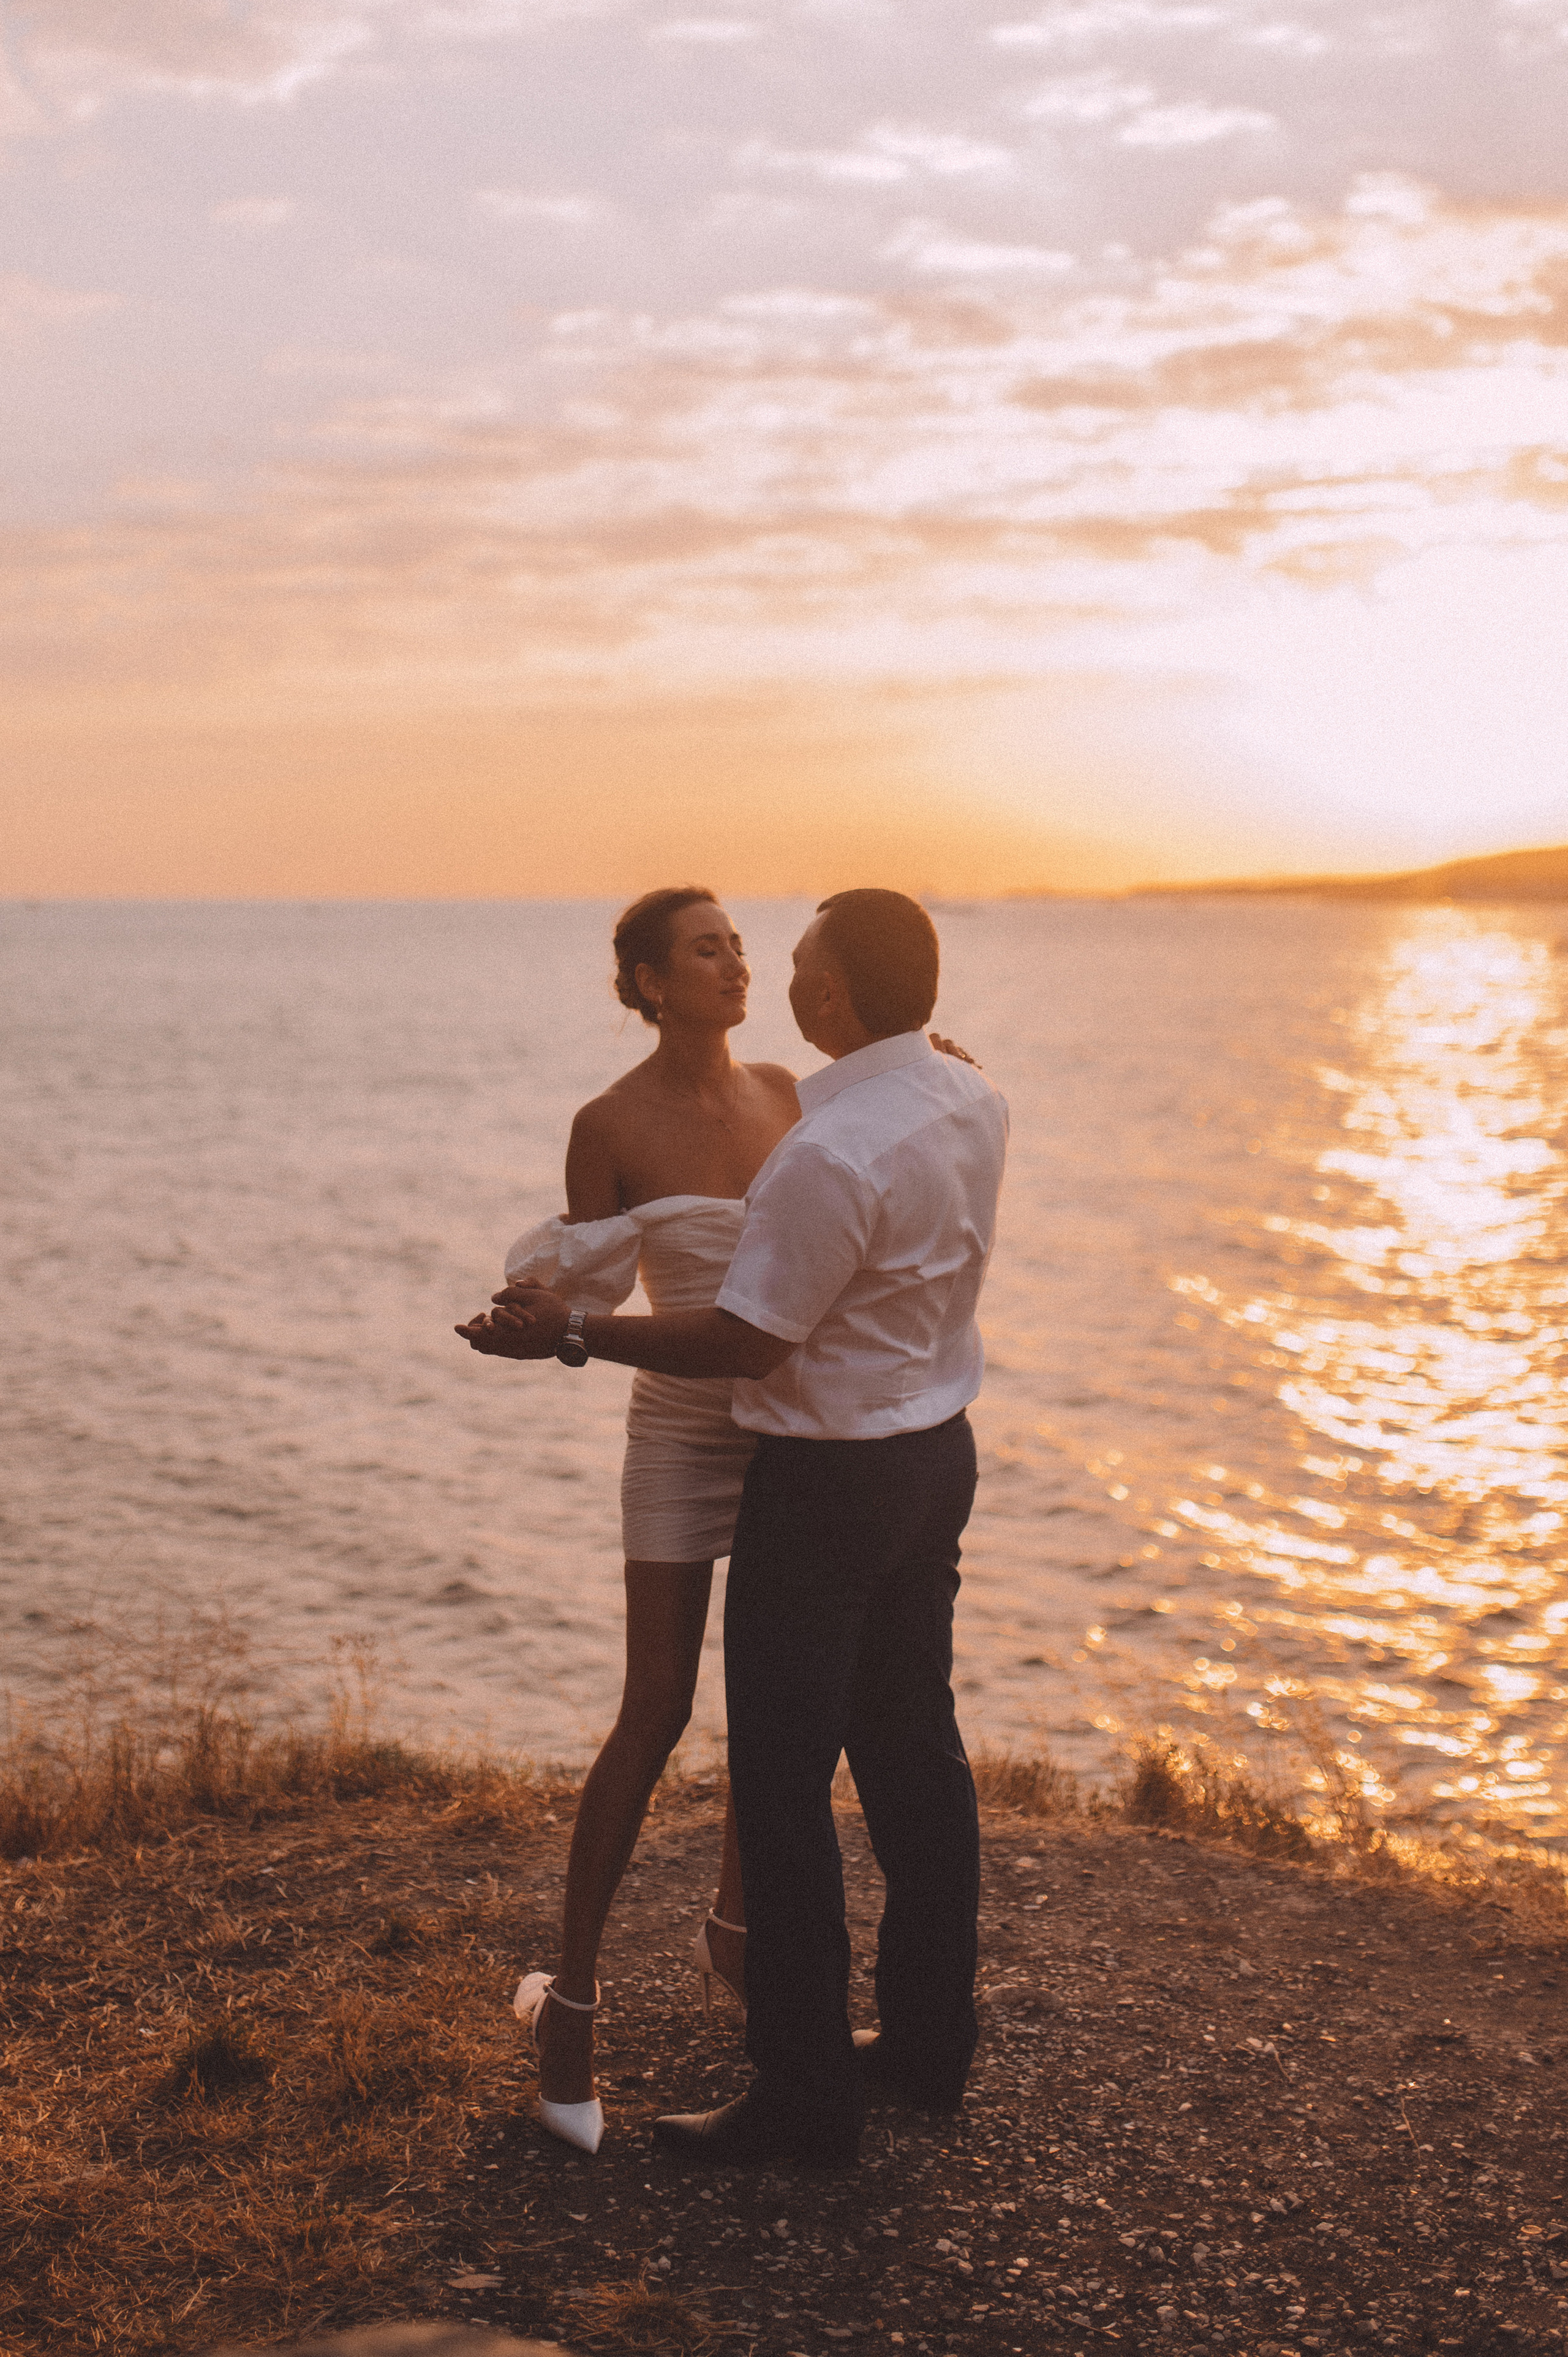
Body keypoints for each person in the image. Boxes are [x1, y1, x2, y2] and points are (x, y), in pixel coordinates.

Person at [462, 890, 1008, 2168]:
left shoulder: (821, 1137)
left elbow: (749, 1338)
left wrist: (578, 1339)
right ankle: (923, 2045)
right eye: (716, 945)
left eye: (787, 955)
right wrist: (549, 1303)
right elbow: (592, 1258)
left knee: (779, 1777)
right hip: (923, 1453)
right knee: (908, 1751)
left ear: (833, 998)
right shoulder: (962, 1096)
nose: (767, 968)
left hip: (813, 1469)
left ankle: (805, 2095)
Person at [481, 885, 799, 2154]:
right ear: (649, 981)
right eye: (707, 946)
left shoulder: (789, 1090)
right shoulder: (606, 1120)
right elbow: (583, 1286)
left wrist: (930, 1060)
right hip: (677, 1433)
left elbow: (877, 1146)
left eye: (738, 942)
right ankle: (570, 2001)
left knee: (771, 1701)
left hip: (791, 1426)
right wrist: (523, 1309)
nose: (736, 960)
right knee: (655, 1704)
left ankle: (735, 1931)